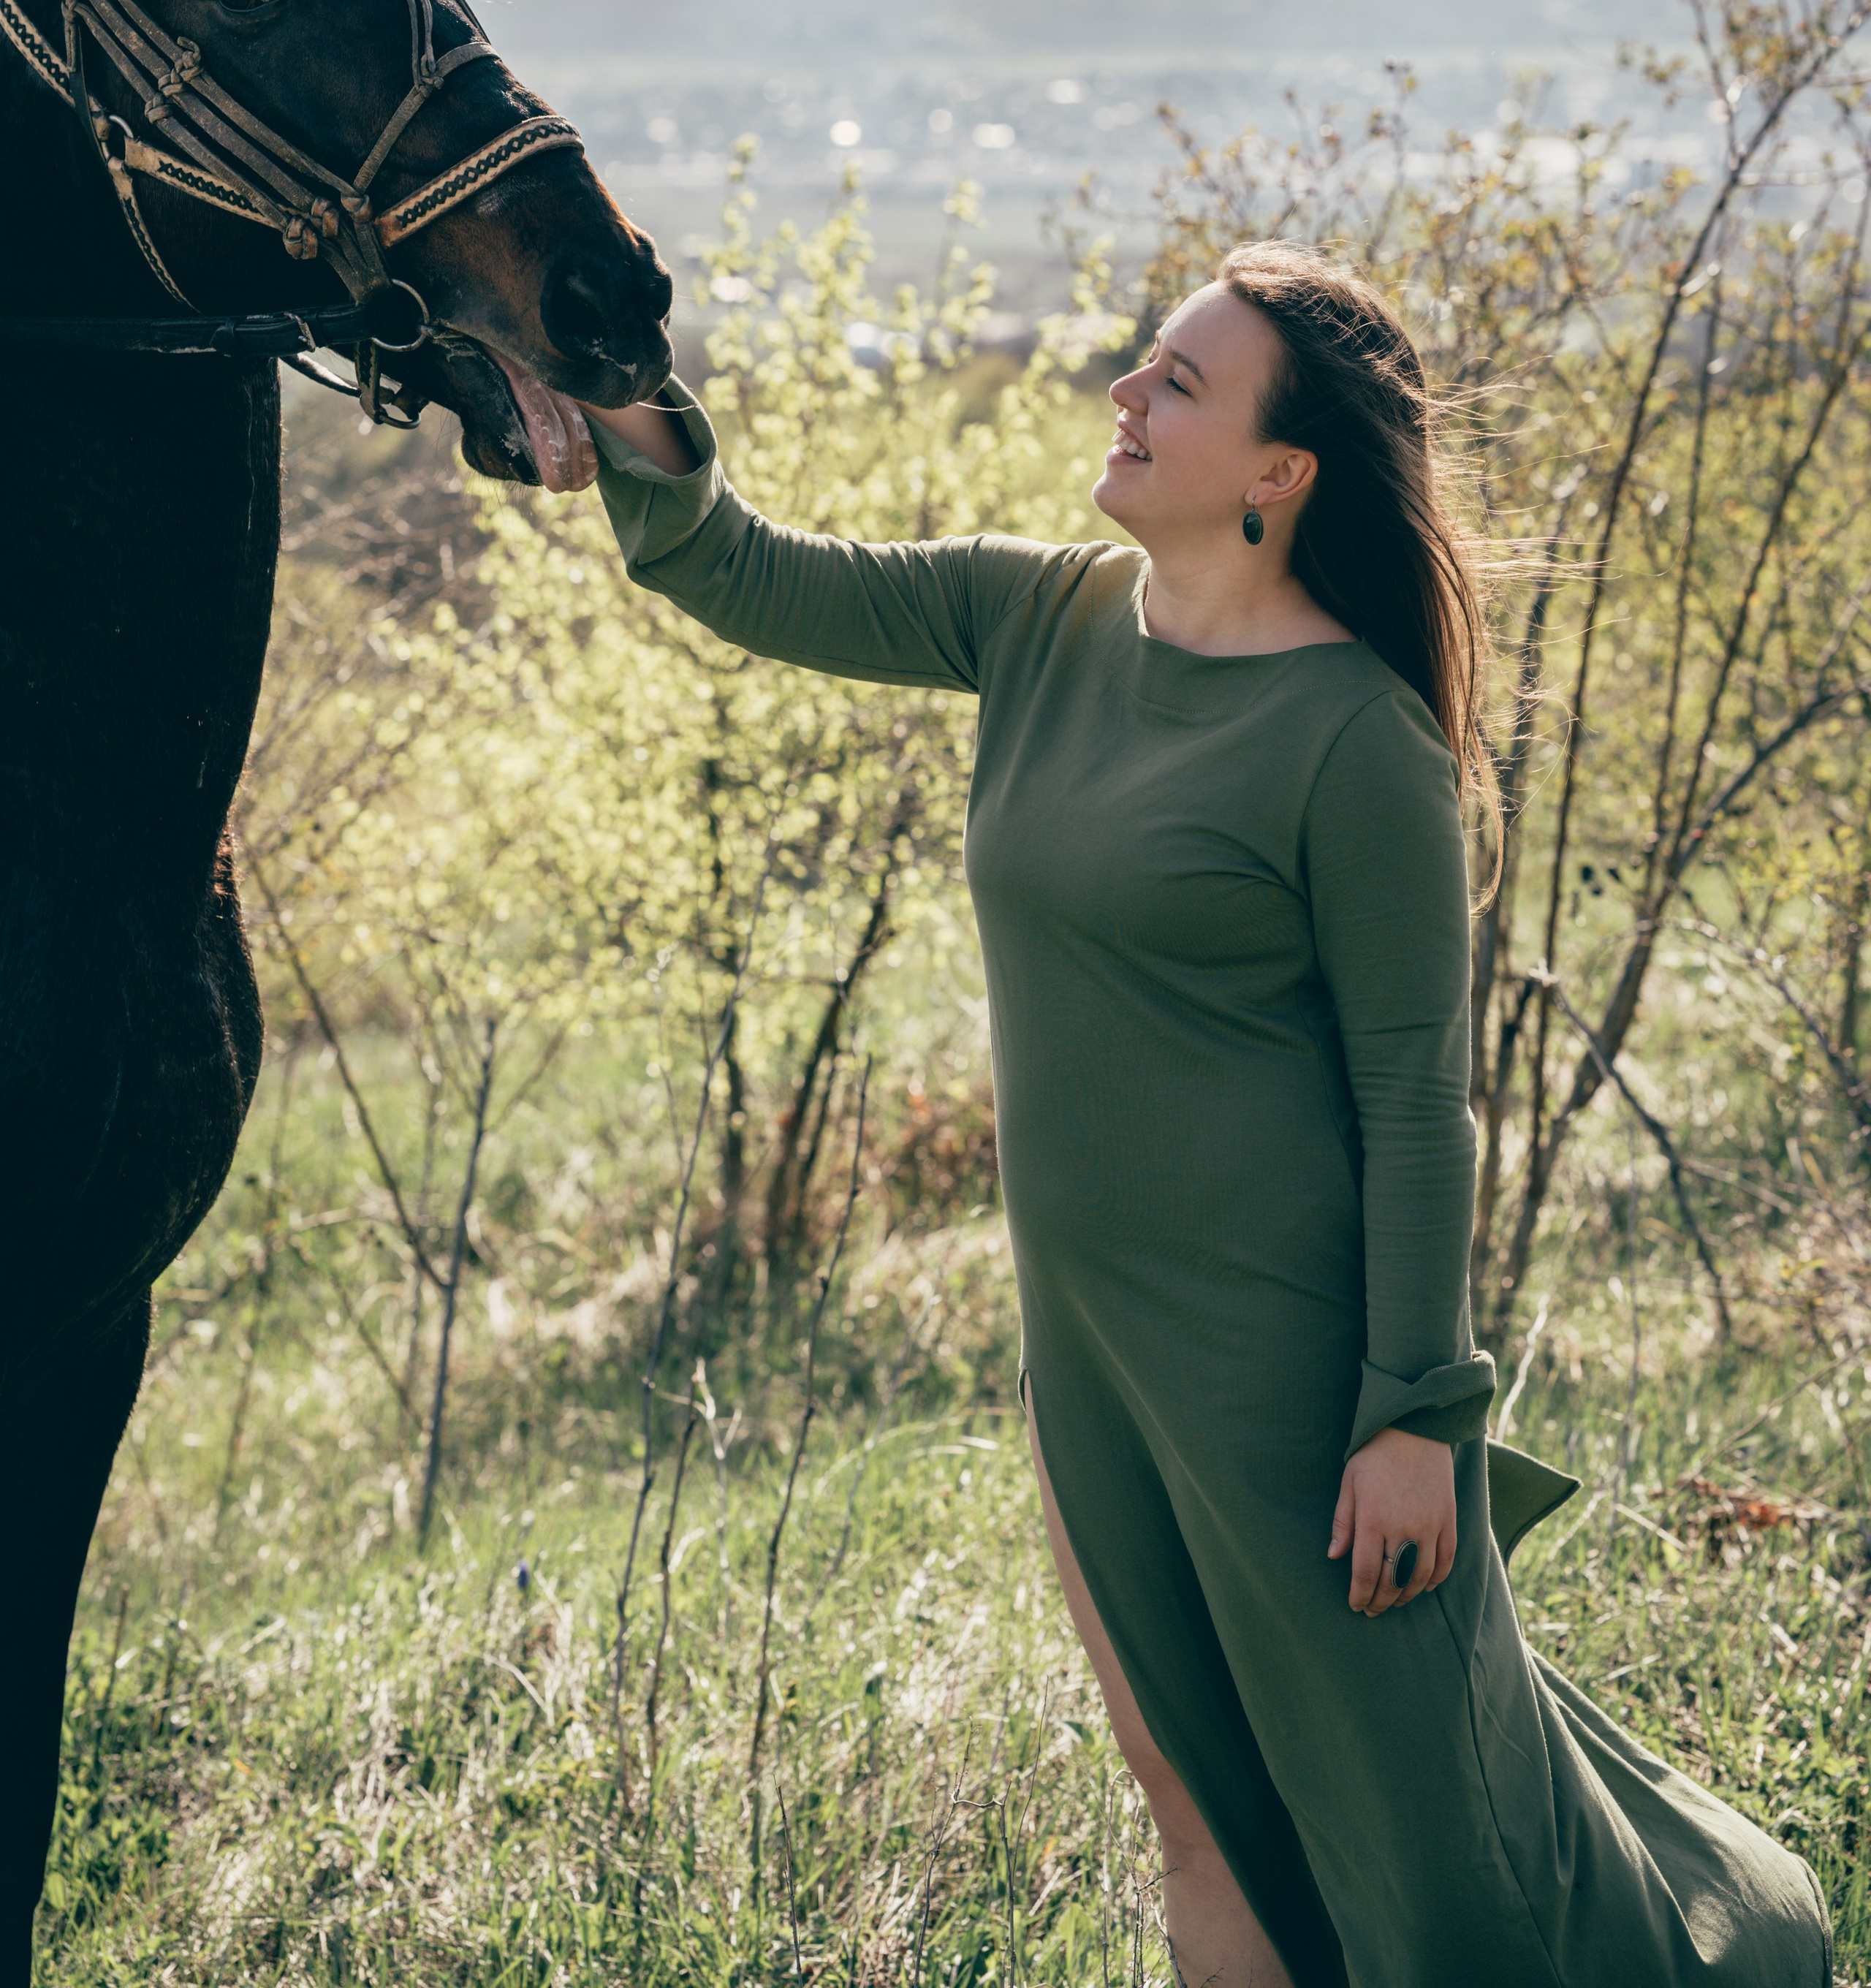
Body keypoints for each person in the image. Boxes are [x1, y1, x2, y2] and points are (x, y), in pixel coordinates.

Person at [581, 242, 1830, 1988]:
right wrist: (607, 379)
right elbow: (736, 567)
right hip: (1087, 1355)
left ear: (1278, 471)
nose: (1123, 390)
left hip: (1295, 1380)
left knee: (1428, 1840)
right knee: (1196, 1807)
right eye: (1144, 360)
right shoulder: (1036, 617)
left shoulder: (1356, 739)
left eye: (1177, 380)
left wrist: (1415, 1417)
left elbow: (1417, 1107)